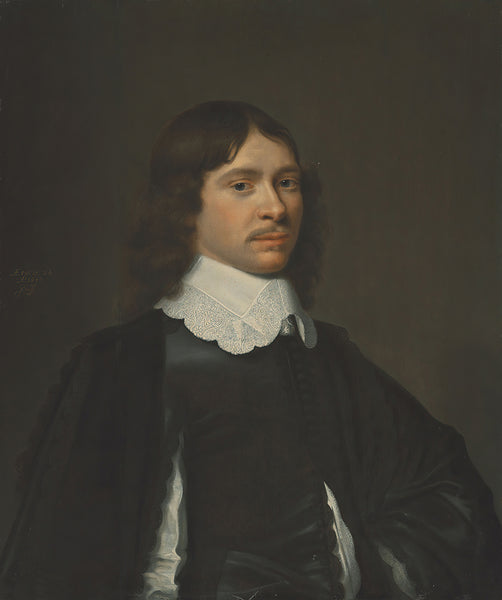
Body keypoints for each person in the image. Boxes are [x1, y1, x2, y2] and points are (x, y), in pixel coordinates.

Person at [1, 101, 501, 600]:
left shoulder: (329, 354)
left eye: (287, 182)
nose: (275, 207)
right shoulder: (123, 361)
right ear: (184, 204)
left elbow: (444, 484)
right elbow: (63, 564)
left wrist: (370, 568)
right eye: (242, 185)